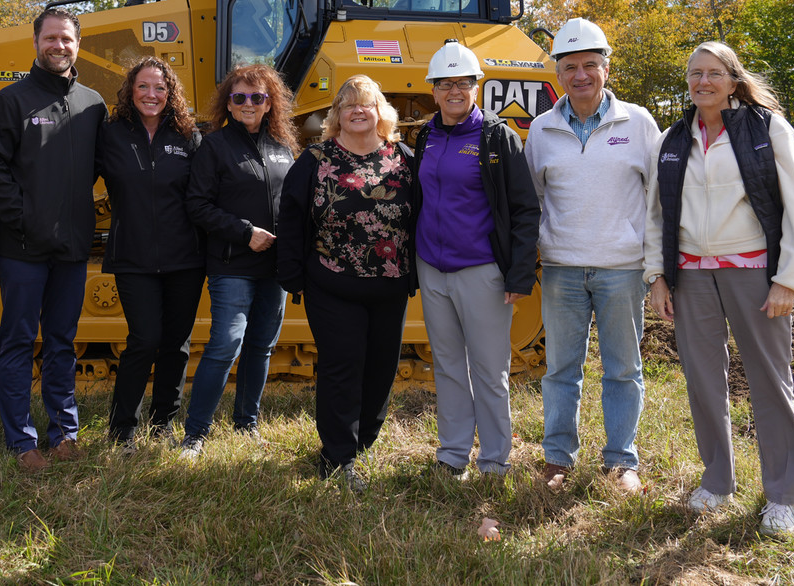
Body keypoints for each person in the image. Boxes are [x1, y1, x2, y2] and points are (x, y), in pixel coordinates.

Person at [645, 40, 794, 535]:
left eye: (713, 73)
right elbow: (655, 215)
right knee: (702, 380)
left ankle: (783, 495)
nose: (702, 82)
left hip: (755, 271)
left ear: (734, 80)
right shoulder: (672, 139)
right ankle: (718, 481)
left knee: (769, 379)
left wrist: (788, 278)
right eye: (695, 74)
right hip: (691, 274)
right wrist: (657, 276)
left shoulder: (768, 129)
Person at [524, 18, 659, 494]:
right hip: (561, 268)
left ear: (606, 67)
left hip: (623, 269)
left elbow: (658, 199)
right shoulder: (541, 129)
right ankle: (558, 460)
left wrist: (657, 267)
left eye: (589, 65)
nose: (580, 75)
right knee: (561, 369)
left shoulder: (638, 123)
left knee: (623, 368)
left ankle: (622, 462)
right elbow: (532, 201)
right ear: (558, 72)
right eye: (569, 67)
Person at [0, 5, 106, 472]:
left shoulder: (94, 104)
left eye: (66, 39)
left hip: (72, 249)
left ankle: (64, 433)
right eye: (50, 38)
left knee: (61, 342)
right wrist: (23, 217)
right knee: (17, 342)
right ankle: (20, 440)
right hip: (22, 249)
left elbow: (97, 167)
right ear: (36, 43)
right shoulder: (12, 101)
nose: (58, 46)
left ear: (78, 44)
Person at [277, 75, 415, 492]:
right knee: (343, 367)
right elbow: (291, 218)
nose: (358, 110)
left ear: (380, 113)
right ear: (336, 115)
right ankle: (337, 457)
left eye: (367, 103)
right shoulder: (316, 159)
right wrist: (292, 275)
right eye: (349, 104)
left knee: (381, 369)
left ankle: (363, 442)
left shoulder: (405, 157)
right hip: (331, 283)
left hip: (390, 287)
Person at [411, 39, 540, 478]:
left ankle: (494, 460)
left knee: (488, 369)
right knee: (447, 365)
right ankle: (452, 454)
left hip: (482, 270)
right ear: (433, 89)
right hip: (433, 268)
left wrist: (519, 274)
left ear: (476, 87)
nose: (454, 91)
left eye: (463, 83)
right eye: (445, 84)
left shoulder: (496, 137)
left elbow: (524, 208)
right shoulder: (426, 135)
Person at [180, 63, 298, 458]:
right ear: (228, 105)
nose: (249, 104)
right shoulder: (214, 147)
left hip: (275, 268)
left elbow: (295, 206)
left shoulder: (283, 148)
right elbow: (197, 205)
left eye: (257, 97)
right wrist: (245, 233)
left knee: (261, 346)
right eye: (240, 97)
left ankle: (246, 423)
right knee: (226, 344)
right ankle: (195, 435)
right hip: (232, 263)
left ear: (270, 104)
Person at [99, 57, 204, 447]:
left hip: (185, 258)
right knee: (144, 339)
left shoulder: (188, 136)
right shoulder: (111, 134)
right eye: (143, 86)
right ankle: (123, 428)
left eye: (160, 87)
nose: (151, 94)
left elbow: (206, 193)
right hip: (133, 255)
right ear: (130, 90)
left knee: (176, 343)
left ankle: (163, 424)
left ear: (170, 92)